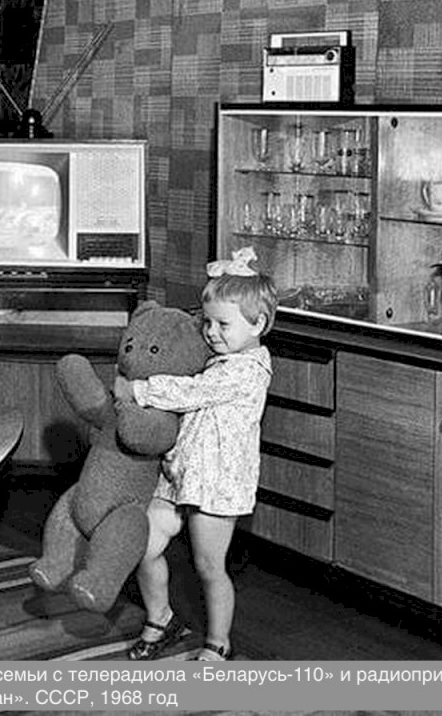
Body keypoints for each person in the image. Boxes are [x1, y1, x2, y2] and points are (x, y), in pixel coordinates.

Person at [115, 246, 276, 662]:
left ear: (259, 324)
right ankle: (160, 617)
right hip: (179, 475)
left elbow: (192, 392)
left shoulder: (249, 370)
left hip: (217, 485)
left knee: (208, 566)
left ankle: (218, 643)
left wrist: (138, 389)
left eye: (223, 324)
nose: (212, 333)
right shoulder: (221, 356)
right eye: (207, 322)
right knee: (143, 545)